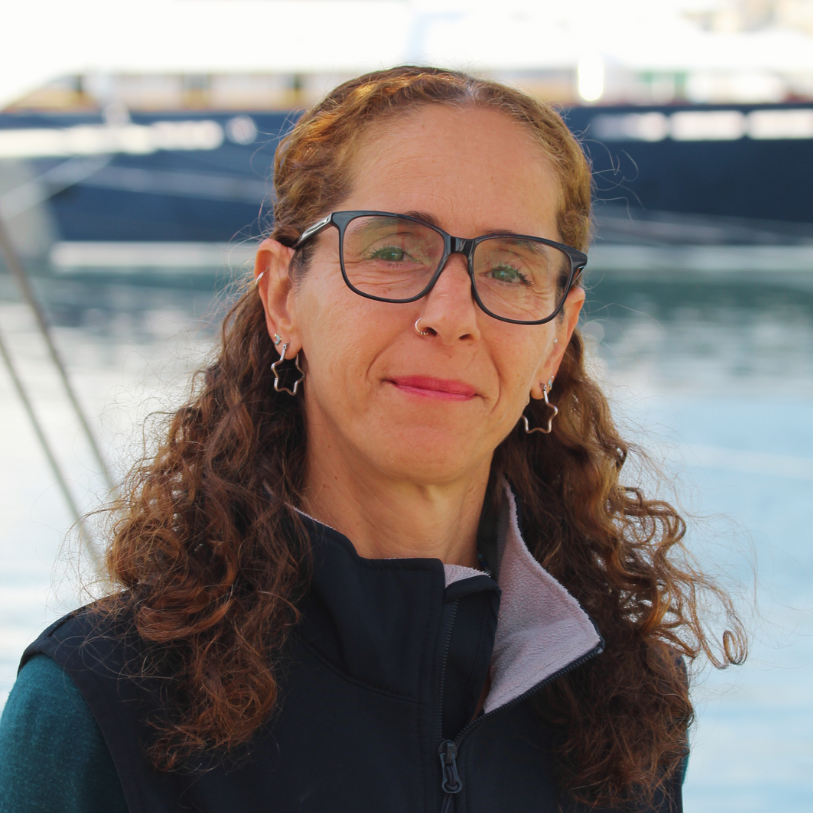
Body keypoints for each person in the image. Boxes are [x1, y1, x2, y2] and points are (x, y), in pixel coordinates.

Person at [0, 66, 744, 813]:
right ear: (284, 296)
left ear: (555, 340)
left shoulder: (622, 704)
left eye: (510, 267)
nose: (450, 313)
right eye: (394, 251)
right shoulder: (101, 703)